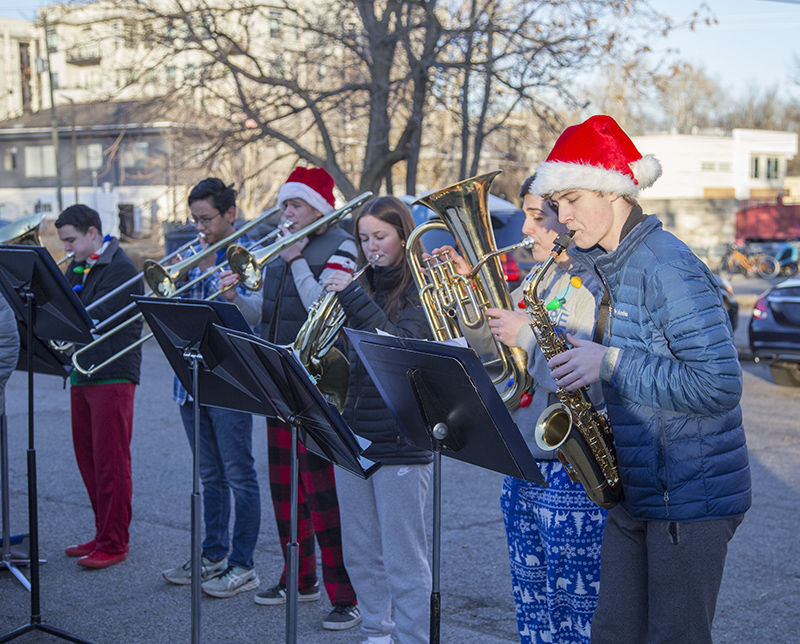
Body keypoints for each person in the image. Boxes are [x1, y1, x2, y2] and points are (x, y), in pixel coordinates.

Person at [531, 114, 751, 644]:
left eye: (573, 199)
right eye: (556, 203)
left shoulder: (664, 265)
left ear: (614, 192)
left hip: (690, 497)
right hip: (640, 488)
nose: (562, 217)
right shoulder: (611, 262)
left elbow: (719, 384)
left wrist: (606, 364)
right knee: (613, 633)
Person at [433, 178, 607, 644]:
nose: (527, 227)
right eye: (527, 215)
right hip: (523, 461)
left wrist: (526, 333)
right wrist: (470, 301)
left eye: (538, 216)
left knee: (575, 615)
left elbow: (585, 382)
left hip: (570, 470)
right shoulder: (537, 278)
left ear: (566, 220)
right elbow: (502, 364)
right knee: (530, 605)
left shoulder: (591, 284)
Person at [255, 166, 362, 631]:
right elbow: (266, 311)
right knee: (286, 488)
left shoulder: (341, 245)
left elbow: (323, 305)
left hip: (320, 382)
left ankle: (345, 593)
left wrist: (296, 258)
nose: (287, 214)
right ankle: (298, 576)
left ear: (318, 208)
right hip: (278, 377)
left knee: (323, 492)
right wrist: (235, 296)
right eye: (284, 206)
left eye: (294, 205)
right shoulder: (284, 247)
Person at [323, 196, 433, 644]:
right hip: (355, 436)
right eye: (364, 238)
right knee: (361, 550)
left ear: (404, 237)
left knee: (404, 558)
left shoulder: (421, 291)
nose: (371, 247)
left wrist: (349, 294)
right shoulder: (362, 286)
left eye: (380, 237)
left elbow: (399, 349)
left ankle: (411, 638)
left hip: (403, 440)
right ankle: (375, 631)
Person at [161, 178, 263, 598]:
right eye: (195, 219)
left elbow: (255, 317)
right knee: (209, 474)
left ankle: (243, 564)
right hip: (188, 380)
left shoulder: (246, 255)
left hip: (229, 382)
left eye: (206, 219)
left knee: (240, 474)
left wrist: (230, 292)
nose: (199, 227)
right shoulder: (188, 254)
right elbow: (170, 311)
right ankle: (212, 554)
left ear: (229, 216)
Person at [56, 204, 144, 569]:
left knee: (111, 463)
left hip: (112, 374)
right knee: (89, 461)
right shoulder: (79, 264)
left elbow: (97, 319)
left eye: (71, 240)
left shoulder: (120, 268)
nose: (67, 249)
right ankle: (102, 531)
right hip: (84, 372)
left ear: (93, 233)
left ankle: (115, 541)